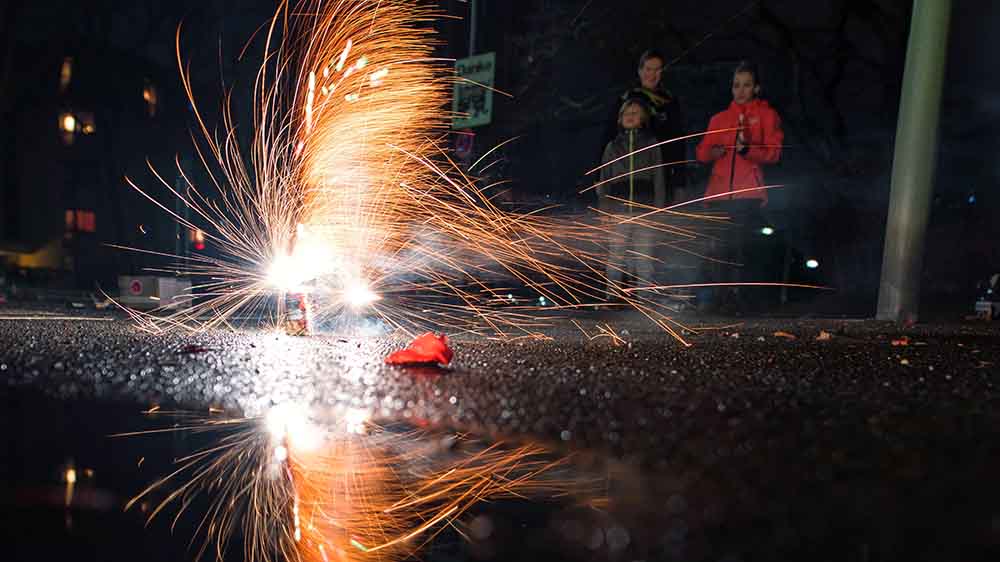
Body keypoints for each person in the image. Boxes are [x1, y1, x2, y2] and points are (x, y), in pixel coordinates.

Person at [694, 61, 784, 313]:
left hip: (748, 194)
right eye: (736, 85)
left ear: (756, 87)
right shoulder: (720, 119)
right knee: (720, 248)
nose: (740, 90)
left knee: (743, 247)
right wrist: (714, 151)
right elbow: (701, 152)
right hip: (719, 194)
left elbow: (774, 153)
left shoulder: (767, 115)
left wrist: (747, 150)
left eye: (746, 85)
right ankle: (720, 299)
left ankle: (742, 298)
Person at [598, 98, 667, 298]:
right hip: (619, 212)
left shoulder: (651, 144)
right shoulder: (613, 147)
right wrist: (604, 209)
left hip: (644, 210)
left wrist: (658, 209)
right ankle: (612, 295)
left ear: (643, 118)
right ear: (620, 119)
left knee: (643, 256)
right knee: (616, 255)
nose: (630, 116)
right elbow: (605, 180)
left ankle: (644, 297)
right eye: (626, 113)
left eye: (635, 113)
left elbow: (659, 179)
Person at [602, 49, 686, 202]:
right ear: (640, 71)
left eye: (657, 69)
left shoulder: (670, 102)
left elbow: (678, 142)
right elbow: (609, 136)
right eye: (648, 69)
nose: (652, 74)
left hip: (662, 173)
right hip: (629, 174)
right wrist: (600, 179)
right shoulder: (627, 99)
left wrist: (679, 181)